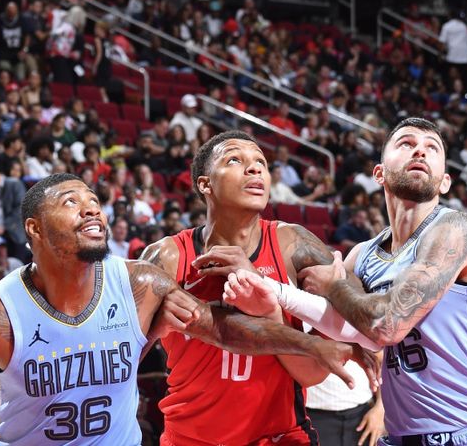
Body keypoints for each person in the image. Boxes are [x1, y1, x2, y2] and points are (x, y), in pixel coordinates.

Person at [0, 174, 352, 445]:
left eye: (95, 202)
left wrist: (311, 343)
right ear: (36, 230)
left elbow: (221, 329)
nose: (92, 211)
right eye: (72, 203)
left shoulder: (139, 285)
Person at [223, 118, 467, 445]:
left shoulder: (456, 230)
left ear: (445, 182)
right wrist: (271, 301)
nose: (420, 151)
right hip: (402, 437)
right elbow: (333, 348)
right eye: (407, 144)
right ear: (379, 173)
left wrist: (330, 286)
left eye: (432, 148)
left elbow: (387, 325)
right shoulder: (362, 256)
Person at [140, 130, 377, 445]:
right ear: (204, 183)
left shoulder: (294, 243)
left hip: (280, 435)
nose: (255, 169)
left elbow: (314, 371)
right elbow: (126, 354)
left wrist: (352, 332)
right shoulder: (168, 256)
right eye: (235, 160)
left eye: (261, 163)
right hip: (191, 437)